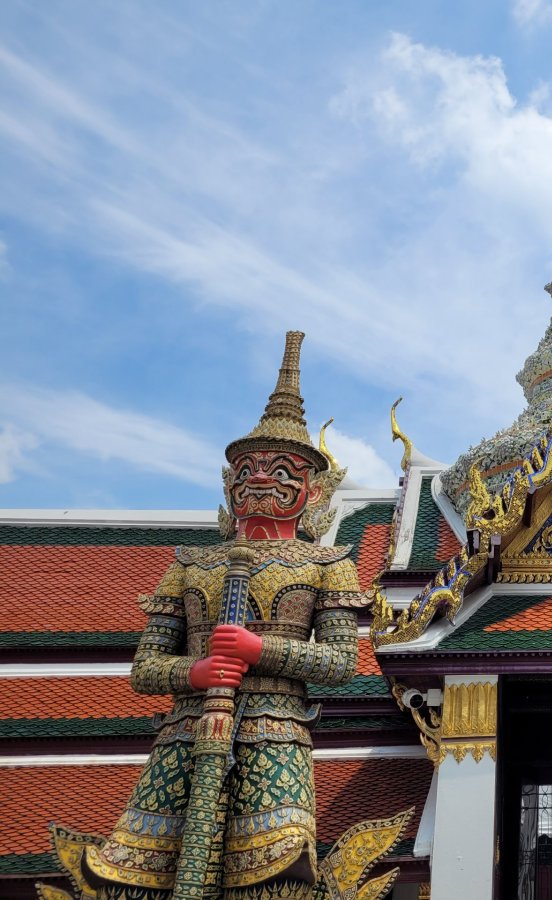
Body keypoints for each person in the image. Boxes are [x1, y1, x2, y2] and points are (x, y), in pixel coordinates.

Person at [70, 332, 368, 900]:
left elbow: (340, 661)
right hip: (185, 730)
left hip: (275, 734)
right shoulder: (190, 563)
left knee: (277, 882)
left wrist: (262, 651)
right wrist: (198, 673)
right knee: (133, 880)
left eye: (281, 468)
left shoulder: (328, 563)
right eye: (248, 466)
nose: (260, 477)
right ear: (229, 480)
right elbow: (144, 669)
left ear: (313, 486)